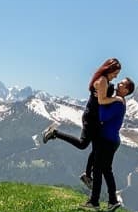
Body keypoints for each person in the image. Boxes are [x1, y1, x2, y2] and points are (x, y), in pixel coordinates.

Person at [42, 57, 122, 188]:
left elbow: (102, 100)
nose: (115, 76)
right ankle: (54, 133)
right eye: (115, 73)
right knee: (83, 144)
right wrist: (116, 99)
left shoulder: (104, 80)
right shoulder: (102, 81)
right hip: (91, 118)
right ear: (109, 69)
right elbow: (102, 101)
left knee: (97, 147)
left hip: (96, 119)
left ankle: (87, 176)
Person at [81, 77, 135, 212]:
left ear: (126, 90)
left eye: (122, 84)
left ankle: (94, 202)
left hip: (107, 140)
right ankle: (112, 201)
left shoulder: (118, 102)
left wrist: (99, 101)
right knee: (106, 170)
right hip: (112, 140)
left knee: (98, 170)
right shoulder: (119, 101)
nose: (118, 84)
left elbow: (103, 117)